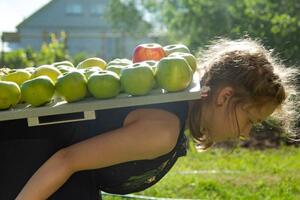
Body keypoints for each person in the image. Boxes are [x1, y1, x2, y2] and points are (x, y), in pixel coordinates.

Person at [15, 38, 298, 200]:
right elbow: (66, 160)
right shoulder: (162, 130)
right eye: (250, 120)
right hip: (27, 163)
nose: (246, 133)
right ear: (224, 97)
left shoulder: (175, 105)